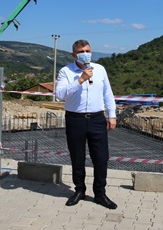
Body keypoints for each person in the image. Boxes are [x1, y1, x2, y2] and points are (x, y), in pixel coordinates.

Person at [55, 39, 118, 209]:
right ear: (74, 54)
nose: (85, 54)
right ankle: (79, 190)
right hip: (75, 119)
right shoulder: (66, 71)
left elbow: (108, 94)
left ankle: (100, 193)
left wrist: (111, 115)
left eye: (88, 50)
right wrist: (80, 79)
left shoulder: (100, 69)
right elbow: (60, 95)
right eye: (82, 51)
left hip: (97, 119)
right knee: (77, 156)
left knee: (101, 158)